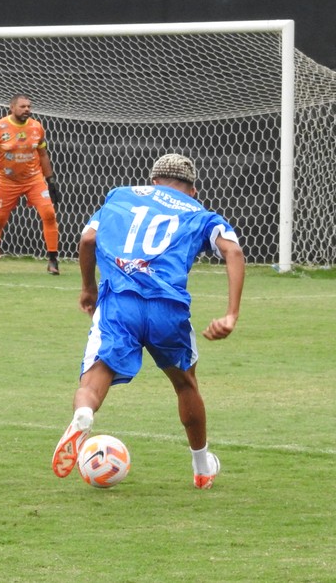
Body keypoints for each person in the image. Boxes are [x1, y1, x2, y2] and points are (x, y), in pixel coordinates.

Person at [51, 153, 245, 489]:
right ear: (193, 190)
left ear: (152, 181)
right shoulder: (200, 213)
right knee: (185, 384)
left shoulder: (121, 196)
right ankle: (202, 466)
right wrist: (231, 314)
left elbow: (87, 240)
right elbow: (234, 252)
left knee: (95, 377)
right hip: (167, 309)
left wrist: (88, 287)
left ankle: (84, 415)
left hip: (119, 304)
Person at [0, 93, 61, 275]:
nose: (27, 109)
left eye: (29, 106)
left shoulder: (36, 127)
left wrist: (51, 181)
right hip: (7, 183)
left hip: (34, 180)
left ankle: (53, 261)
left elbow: (43, 155)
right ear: (12, 107)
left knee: (49, 214)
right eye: (23, 106)